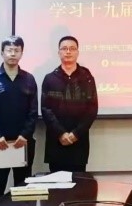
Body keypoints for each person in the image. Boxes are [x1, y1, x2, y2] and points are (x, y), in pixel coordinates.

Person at [0, 36, 39, 205]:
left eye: (16, 50)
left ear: (21, 53)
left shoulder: (29, 79)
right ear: (2, 53)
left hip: (23, 142)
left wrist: (25, 135)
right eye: (9, 50)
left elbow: (33, 111)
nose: (13, 54)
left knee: (23, 189)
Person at [42, 36, 99, 173]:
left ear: (77, 52)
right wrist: (61, 133)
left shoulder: (87, 77)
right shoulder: (50, 78)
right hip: (56, 141)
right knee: (56, 182)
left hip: (79, 140)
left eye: (72, 49)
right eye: (64, 48)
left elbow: (92, 108)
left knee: (79, 182)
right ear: (59, 52)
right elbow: (46, 109)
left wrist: (75, 134)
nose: (68, 52)